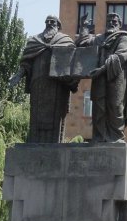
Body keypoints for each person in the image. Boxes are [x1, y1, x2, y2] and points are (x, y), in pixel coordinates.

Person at [10, 15, 79, 143]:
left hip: (57, 86)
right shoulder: (35, 41)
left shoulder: (65, 41)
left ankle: (54, 145)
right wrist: (18, 75)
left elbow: (72, 63)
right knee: (36, 115)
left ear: (58, 25)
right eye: (47, 21)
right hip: (38, 84)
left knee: (56, 116)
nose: (49, 23)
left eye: (53, 22)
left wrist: (71, 80)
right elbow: (26, 63)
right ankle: (34, 144)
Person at [75, 12, 127, 143]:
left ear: (120, 24)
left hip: (116, 77)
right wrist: (84, 27)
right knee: (99, 107)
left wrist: (101, 69)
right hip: (99, 79)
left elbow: (120, 56)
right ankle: (99, 137)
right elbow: (82, 44)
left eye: (114, 22)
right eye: (109, 21)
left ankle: (116, 136)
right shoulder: (99, 38)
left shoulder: (124, 37)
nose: (111, 23)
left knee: (115, 106)